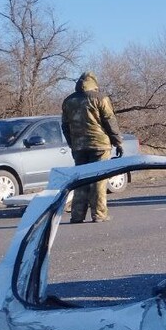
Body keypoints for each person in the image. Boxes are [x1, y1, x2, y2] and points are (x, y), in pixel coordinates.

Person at [61, 71, 124, 223]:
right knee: (99, 180)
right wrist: (117, 142)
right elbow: (110, 121)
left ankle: (77, 215)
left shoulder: (68, 101)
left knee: (80, 180)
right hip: (100, 145)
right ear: (94, 84)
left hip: (79, 147)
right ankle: (99, 214)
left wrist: (73, 144)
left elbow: (64, 126)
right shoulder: (100, 98)